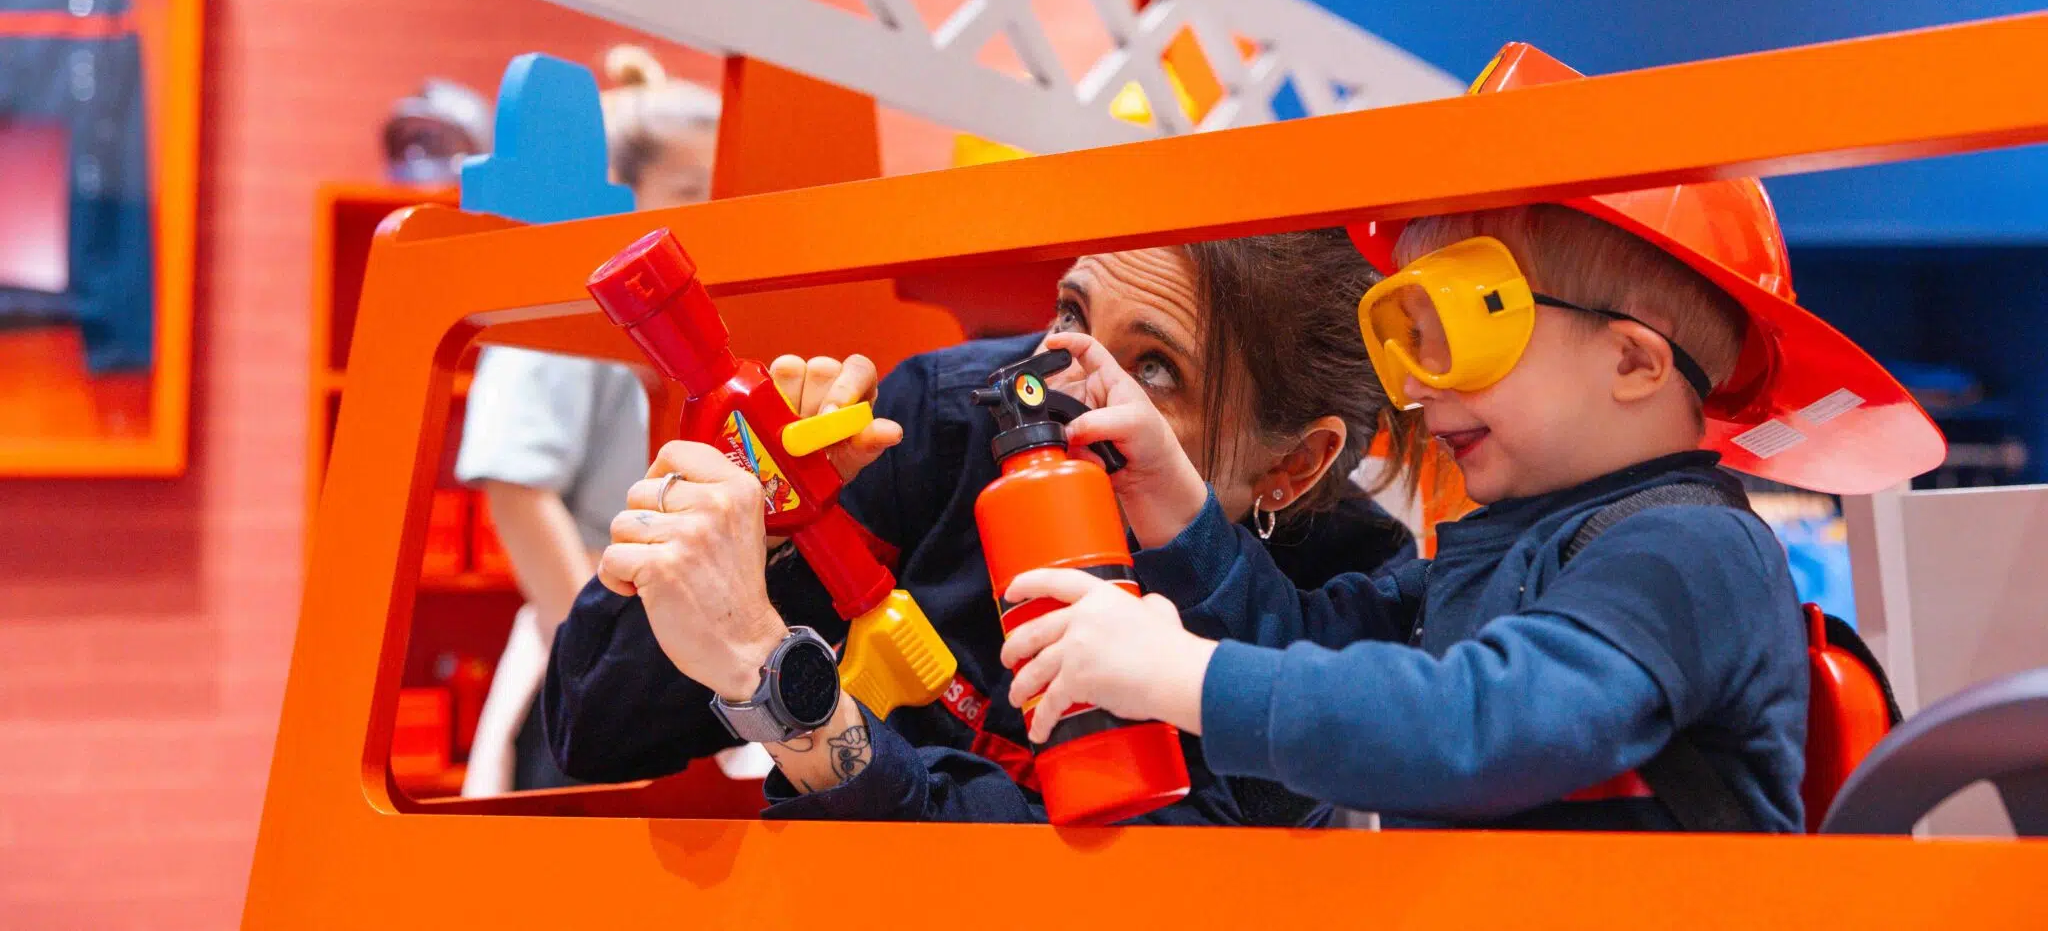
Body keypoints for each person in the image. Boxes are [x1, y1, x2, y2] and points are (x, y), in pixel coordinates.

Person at [981, 44, 1945, 832]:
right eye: (1403, 333)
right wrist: (1173, 500)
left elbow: (1492, 727)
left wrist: (1187, 677)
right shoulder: (1495, 553)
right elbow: (1304, 640)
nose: (1417, 385)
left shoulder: (1690, 553)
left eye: (1463, 329)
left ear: (1634, 365)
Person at [547, 230, 1424, 824]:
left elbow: (1116, 887)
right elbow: (598, 727)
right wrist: (762, 531)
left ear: (1295, 464)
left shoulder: (1339, 604)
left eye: (1155, 369)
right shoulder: (949, 420)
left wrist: (775, 682)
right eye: (1073, 316)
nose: (1067, 384)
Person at [454, 46, 719, 796]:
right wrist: (598, 652)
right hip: (598, 656)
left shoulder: (673, 319)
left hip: (669, 646)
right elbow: (516, 483)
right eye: (688, 191)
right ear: (620, 193)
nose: (710, 214)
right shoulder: (577, 314)